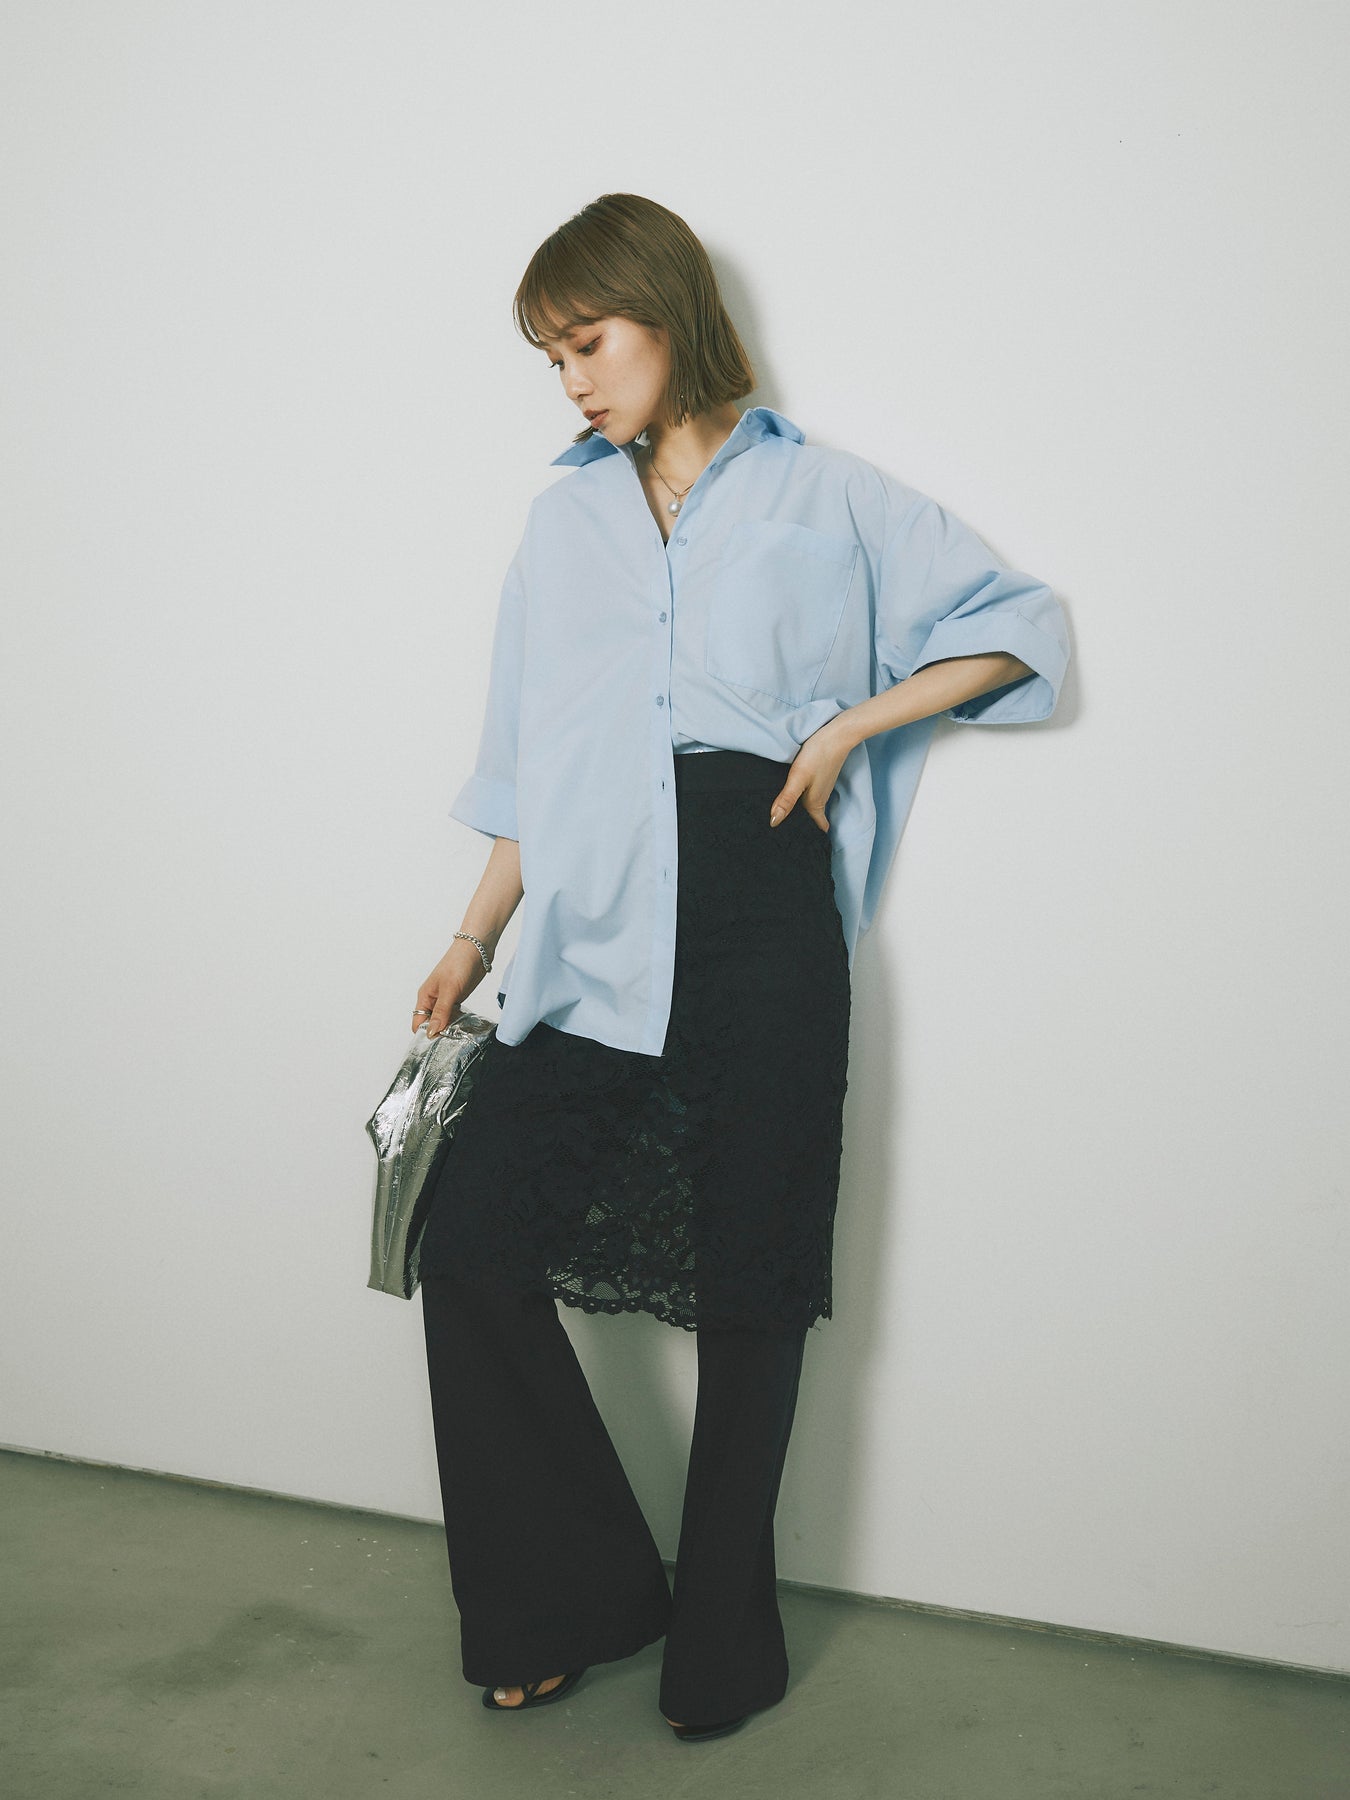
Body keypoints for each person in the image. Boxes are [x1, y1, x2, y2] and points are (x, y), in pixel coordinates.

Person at [410, 193, 1071, 1744]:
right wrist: (468, 937)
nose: (572, 379)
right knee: (471, 1239)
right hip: (594, 922)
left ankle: (724, 1630)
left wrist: (845, 727)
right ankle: (569, 1596)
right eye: (552, 357)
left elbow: (1016, 625)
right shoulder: (559, 524)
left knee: (749, 1276)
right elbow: (528, 764)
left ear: (668, 313)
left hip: (761, 907)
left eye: (590, 341)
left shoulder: (822, 496)